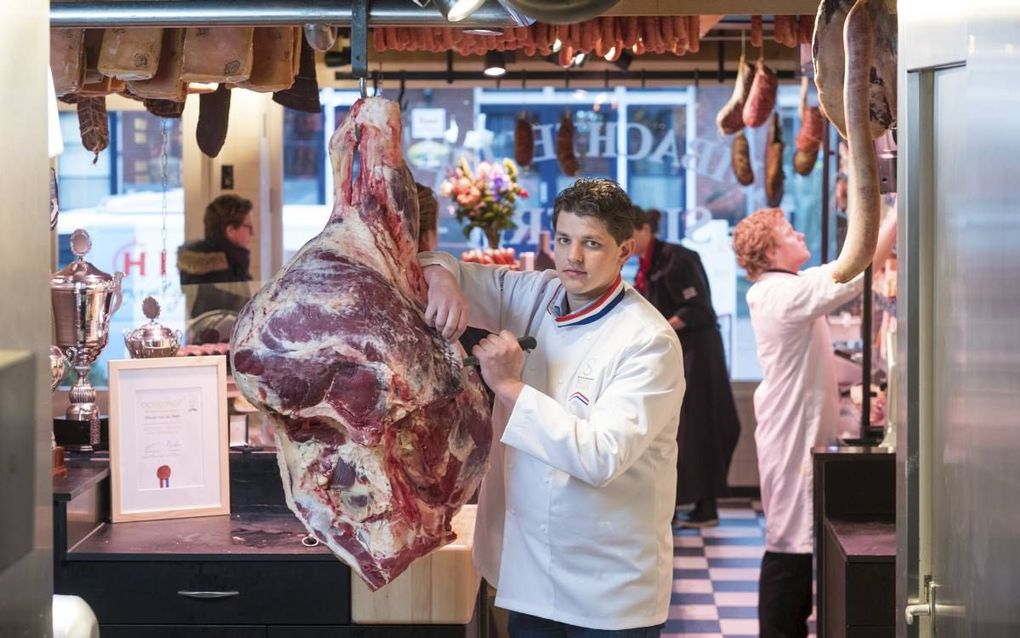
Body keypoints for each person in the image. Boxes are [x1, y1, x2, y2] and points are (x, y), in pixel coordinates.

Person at [420, 178, 685, 637]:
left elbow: (599, 455)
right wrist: (441, 278)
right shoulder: (537, 294)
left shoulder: (648, 342)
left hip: (608, 591)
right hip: (530, 576)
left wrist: (508, 385)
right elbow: (441, 264)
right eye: (564, 240)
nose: (573, 258)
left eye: (591, 244)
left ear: (625, 251)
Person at [731, 207, 897, 638]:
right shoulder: (779, 295)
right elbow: (857, 270)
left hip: (795, 429)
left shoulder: (788, 288)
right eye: (788, 230)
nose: (799, 232)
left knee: (795, 545)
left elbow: (821, 351)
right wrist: (896, 211)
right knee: (789, 547)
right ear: (770, 250)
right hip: (792, 437)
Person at [632, 208, 740, 528]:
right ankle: (683, 502)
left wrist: (661, 329)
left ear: (646, 229)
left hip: (700, 353)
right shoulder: (649, 262)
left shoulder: (678, 259)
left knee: (699, 426)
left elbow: (697, 309)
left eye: (629, 235)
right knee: (684, 428)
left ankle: (705, 507)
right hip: (679, 352)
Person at [177, 194, 255, 342]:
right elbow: (221, 323)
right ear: (231, 230)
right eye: (248, 226)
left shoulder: (230, 262)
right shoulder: (219, 270)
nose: (252, 233)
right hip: (216, 350)